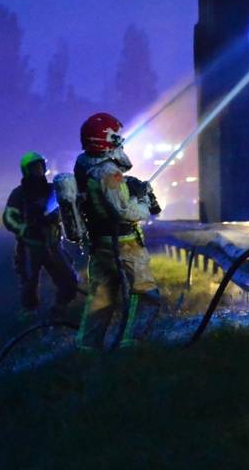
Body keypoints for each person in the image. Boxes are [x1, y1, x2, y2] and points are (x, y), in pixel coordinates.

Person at [74, 112, 161, 349]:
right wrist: (142, 200)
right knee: (146, 296)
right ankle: (133, 343)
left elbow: (103, 200)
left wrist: (128, 187)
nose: (120, 140)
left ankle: (88, 347)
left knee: (102, 298)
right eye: (116, 136)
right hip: (123, 245)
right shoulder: (108, 172)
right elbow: (123, 211)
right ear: (105, 139)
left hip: (101, 243)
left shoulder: (85, 164)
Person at [2, 151, 79, 318]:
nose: (38, 170)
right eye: (34, 167)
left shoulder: (53, 189)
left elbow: (67, 207)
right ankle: (30, 318)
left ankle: (59, 311)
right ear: (26, 171)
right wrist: (25, 228)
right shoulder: (19, 194)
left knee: (69, 281)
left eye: (40, 166)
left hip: (53, 245)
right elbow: (8, 218)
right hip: (30, 247)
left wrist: (55, 216)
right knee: (29, 285)